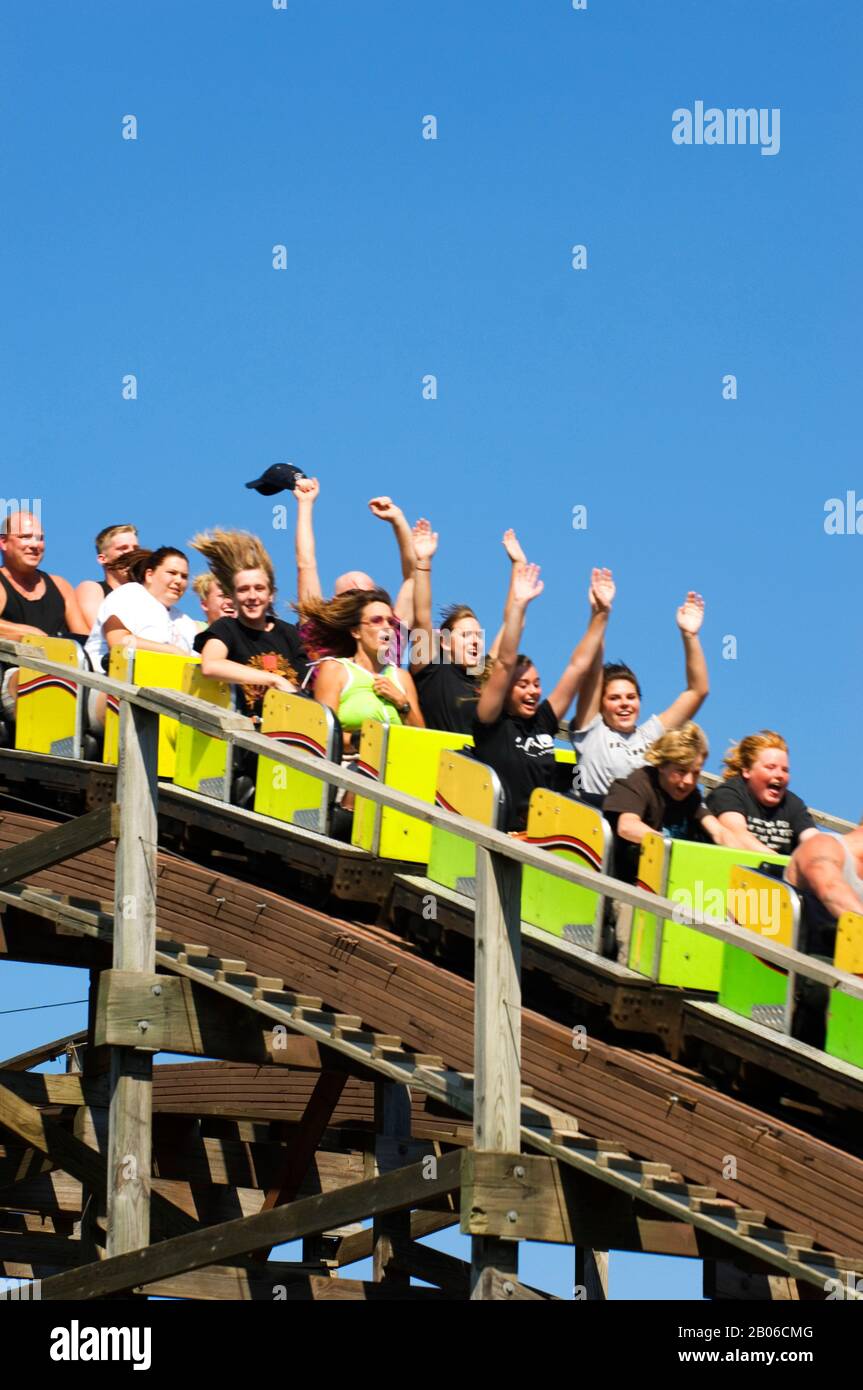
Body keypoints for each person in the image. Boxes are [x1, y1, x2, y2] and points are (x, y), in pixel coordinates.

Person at [472, 562, 614, 833]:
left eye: (537, 684)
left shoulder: (542, 720)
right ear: (504, 690)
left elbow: (577, 668)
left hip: (543, 836)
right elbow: (503, 662)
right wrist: (519, 606)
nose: (533, 691)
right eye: (523, 685)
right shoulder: (490, 723)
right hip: (503, 836)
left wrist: (601, 614)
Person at [571, 591, 710, 804]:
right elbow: (591, 673)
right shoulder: (593, 732)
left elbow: (697, 691)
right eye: (615, 698)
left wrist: (690, 636)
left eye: (631, 697)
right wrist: (600, 614)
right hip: (598, 826)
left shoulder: (650, 736)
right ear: (600, 705)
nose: (625, 703)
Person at [408, 520, 524, 734]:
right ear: (444, 641)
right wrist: (424, 561)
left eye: (478, 636)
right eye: (466, 635)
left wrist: (518, 565)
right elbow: (422, 615)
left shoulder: (482, 673)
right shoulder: (432, 670)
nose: (475, 641)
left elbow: (511, 626)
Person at [191, 530, 307, 719]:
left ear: (271, 595)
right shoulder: (226, 627)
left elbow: (303, 685)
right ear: (234, 597)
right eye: (243, 590)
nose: (252, 596)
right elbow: (210, 665)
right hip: (245, 733)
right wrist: (273, 679)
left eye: (259, 589)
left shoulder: (289, 633)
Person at [84, 546, 199, 732]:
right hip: (107, 686)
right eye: (172, 573)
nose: (178, 580)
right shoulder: (130, 594)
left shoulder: (185, 622)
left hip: (168, 696)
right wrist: (173, 651)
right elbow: (119, 641)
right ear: (149, 575)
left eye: (184, 576)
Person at [300, 588, 423, 750]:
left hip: (397, 768)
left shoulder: (402, 677)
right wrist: (360, 741)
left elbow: (422, 738)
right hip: (350, 766)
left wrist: (401, 703)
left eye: (390, 622)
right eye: (377, 620)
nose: (387, 627)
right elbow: (322, 731)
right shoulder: (335, 670)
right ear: (356, 631)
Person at [603, 723, 726, 883]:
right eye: (681, 771)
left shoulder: (691, 795)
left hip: (672, 886)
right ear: (662, 764)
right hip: (629, 886)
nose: (689, 781)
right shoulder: (637, 783)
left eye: (695, 773)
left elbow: (719, 833)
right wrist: (673, 849)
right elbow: (627, 827)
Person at [293, 478, 417, 635]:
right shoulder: (320, 636)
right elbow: (306, 564)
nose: (360, 602)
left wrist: (398, 520)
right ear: (334, 603)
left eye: (367, 596)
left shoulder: (390, 641)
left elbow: (413, 577)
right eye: (351, 595)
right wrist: (305, 504)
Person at [0, 510, 88, 721]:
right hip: (13, 675)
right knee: (40, 683)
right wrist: (30, 635)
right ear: (3, 542)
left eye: (40, 538)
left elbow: (85, 639)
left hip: (66, 677)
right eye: (25, 537)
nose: (34, 544)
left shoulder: (60, 585)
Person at [784, 826, 863, 1045]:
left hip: (855, 964)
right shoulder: (824, 846)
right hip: (808, 956)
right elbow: (831, 890)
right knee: (824, 987)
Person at [706, 731, 818, 856]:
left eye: (785, 770)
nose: (780, 775)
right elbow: (737, 835)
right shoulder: (728, 794)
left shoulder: (793, 804)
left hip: (778, 873)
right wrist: (778, 864)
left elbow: (813, 840)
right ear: (747, 770)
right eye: (770, 767)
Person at [75, 524, 139, 629]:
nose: (132, 553)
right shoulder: (92, 589)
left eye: (136, 548)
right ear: (102, 559)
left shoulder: (149, 597)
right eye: (123, 548)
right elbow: (99, 632)